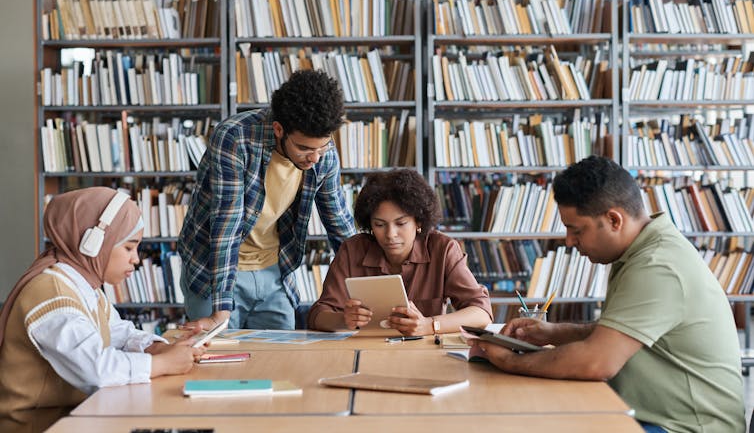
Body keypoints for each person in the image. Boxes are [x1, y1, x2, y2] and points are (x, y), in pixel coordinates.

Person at [469, 156, 745, 433]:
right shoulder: (638, 250)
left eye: (576, 230)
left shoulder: (658, 265)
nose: (569, 241)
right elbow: (618, 332)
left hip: (684, 427)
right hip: (653, 416)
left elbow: (596, 362)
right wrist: (550, 332)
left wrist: (508, 361)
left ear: (614, 220)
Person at [0, 187, 203, 433]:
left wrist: (159, 348)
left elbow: (119, 332)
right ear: (93, 244)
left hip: (78, 417)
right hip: (42, 427)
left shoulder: (83, 286)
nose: (136, 259)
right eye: (129, 248)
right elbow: (96, 370)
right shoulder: (52, 292)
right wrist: (161, 364)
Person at [178, 70, 357, 332]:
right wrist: (220, 312)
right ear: (278, 129)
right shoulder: (235, 138)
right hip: (215, 273)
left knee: (281, 366)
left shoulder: (322, 154)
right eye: (305, 149)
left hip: (275, 272)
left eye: (323, 146)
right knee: (219, 365)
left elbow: (341, 227)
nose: (315, 158)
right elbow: (226, 225)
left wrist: (371, 291)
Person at [308, 169, 492, 335]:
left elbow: (481, 314)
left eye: (401, 223)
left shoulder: (443, 249)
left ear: (418, 222)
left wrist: (428, 325)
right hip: (366, 353)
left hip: (423, 353)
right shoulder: (352, 250)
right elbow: (318, 315)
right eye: (379, 225)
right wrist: (343, 320)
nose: (390, 234)